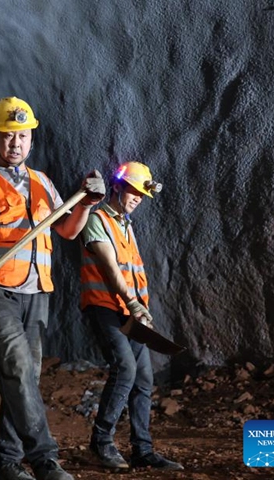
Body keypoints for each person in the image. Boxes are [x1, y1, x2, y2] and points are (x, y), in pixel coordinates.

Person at [0, 96, 105, 480]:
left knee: (23, 376)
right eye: (6, 136)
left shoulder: (43, 183)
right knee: (18, 366)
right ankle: (44, 459)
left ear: (32, 139)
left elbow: (67, 230)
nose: (14, 143)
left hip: (37, 291)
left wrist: (87, 204)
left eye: (21, 136)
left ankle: (7, 462)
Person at [79, 161, 183, 471]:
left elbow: (133, 272)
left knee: (143, 378)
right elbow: (110, 268)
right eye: (133, 192)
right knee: (124, 368)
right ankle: (101, 443)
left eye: (141, 195)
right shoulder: (97, 219)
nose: (137, 198)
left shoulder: (126, 225)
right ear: (118, 187)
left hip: (130, 310)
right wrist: (132, 303)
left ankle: (142, 450)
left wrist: (140, 308)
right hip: (104, 305)